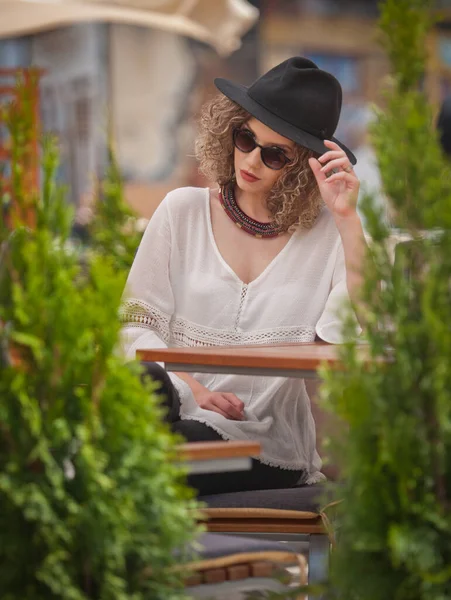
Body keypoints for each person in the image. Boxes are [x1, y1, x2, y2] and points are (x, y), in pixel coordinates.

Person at [119, 56, 366, 496]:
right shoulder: (182, 211)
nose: (251, 159)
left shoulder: (328, 236)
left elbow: (349, 335)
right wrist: (190, 390)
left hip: (263, 444)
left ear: (305, 166)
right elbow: (133, 326)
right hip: (172, 409)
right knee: (145, 387)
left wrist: (347, 221)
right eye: (245, 138)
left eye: (274, 154)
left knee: (141, 457)